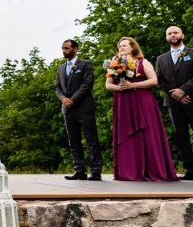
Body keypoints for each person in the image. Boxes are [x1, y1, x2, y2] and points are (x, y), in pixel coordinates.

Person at [106, 36, 178, 181]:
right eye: (120, 46)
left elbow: (154, 81)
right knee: (127, 136)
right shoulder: (115, 64)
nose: (121, 47)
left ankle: (153, 170)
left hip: (142, 100)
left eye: (124, 45)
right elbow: (108, 85)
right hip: (123, 103)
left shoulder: (143, 62)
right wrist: (120, 88)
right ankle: (129, 171)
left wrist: (133, 85)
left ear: (133, 47)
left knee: (148, 133)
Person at [155, 26, 193, 181]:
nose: (172, 35)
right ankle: (190, 170)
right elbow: (160, 81)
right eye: (169, 33)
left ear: (183, 35)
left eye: (175, 32)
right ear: (166, 37)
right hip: (174, 102)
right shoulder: (161, 58)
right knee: (181, 136)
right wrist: (176, 94)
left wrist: (183, 90)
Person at [55, 39, 102, 181]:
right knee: (73, 141)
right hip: (68, 110)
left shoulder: (86, 64)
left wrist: (72, 100)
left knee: (91, 140)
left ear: (75, 49)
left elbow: (87, 84)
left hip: (84, 108)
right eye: (62, 48)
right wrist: (63, 98)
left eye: (67, 48)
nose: (64, 50)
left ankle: (96, 171)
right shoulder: (60, 68)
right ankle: (79, 170)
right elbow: (57, 87)